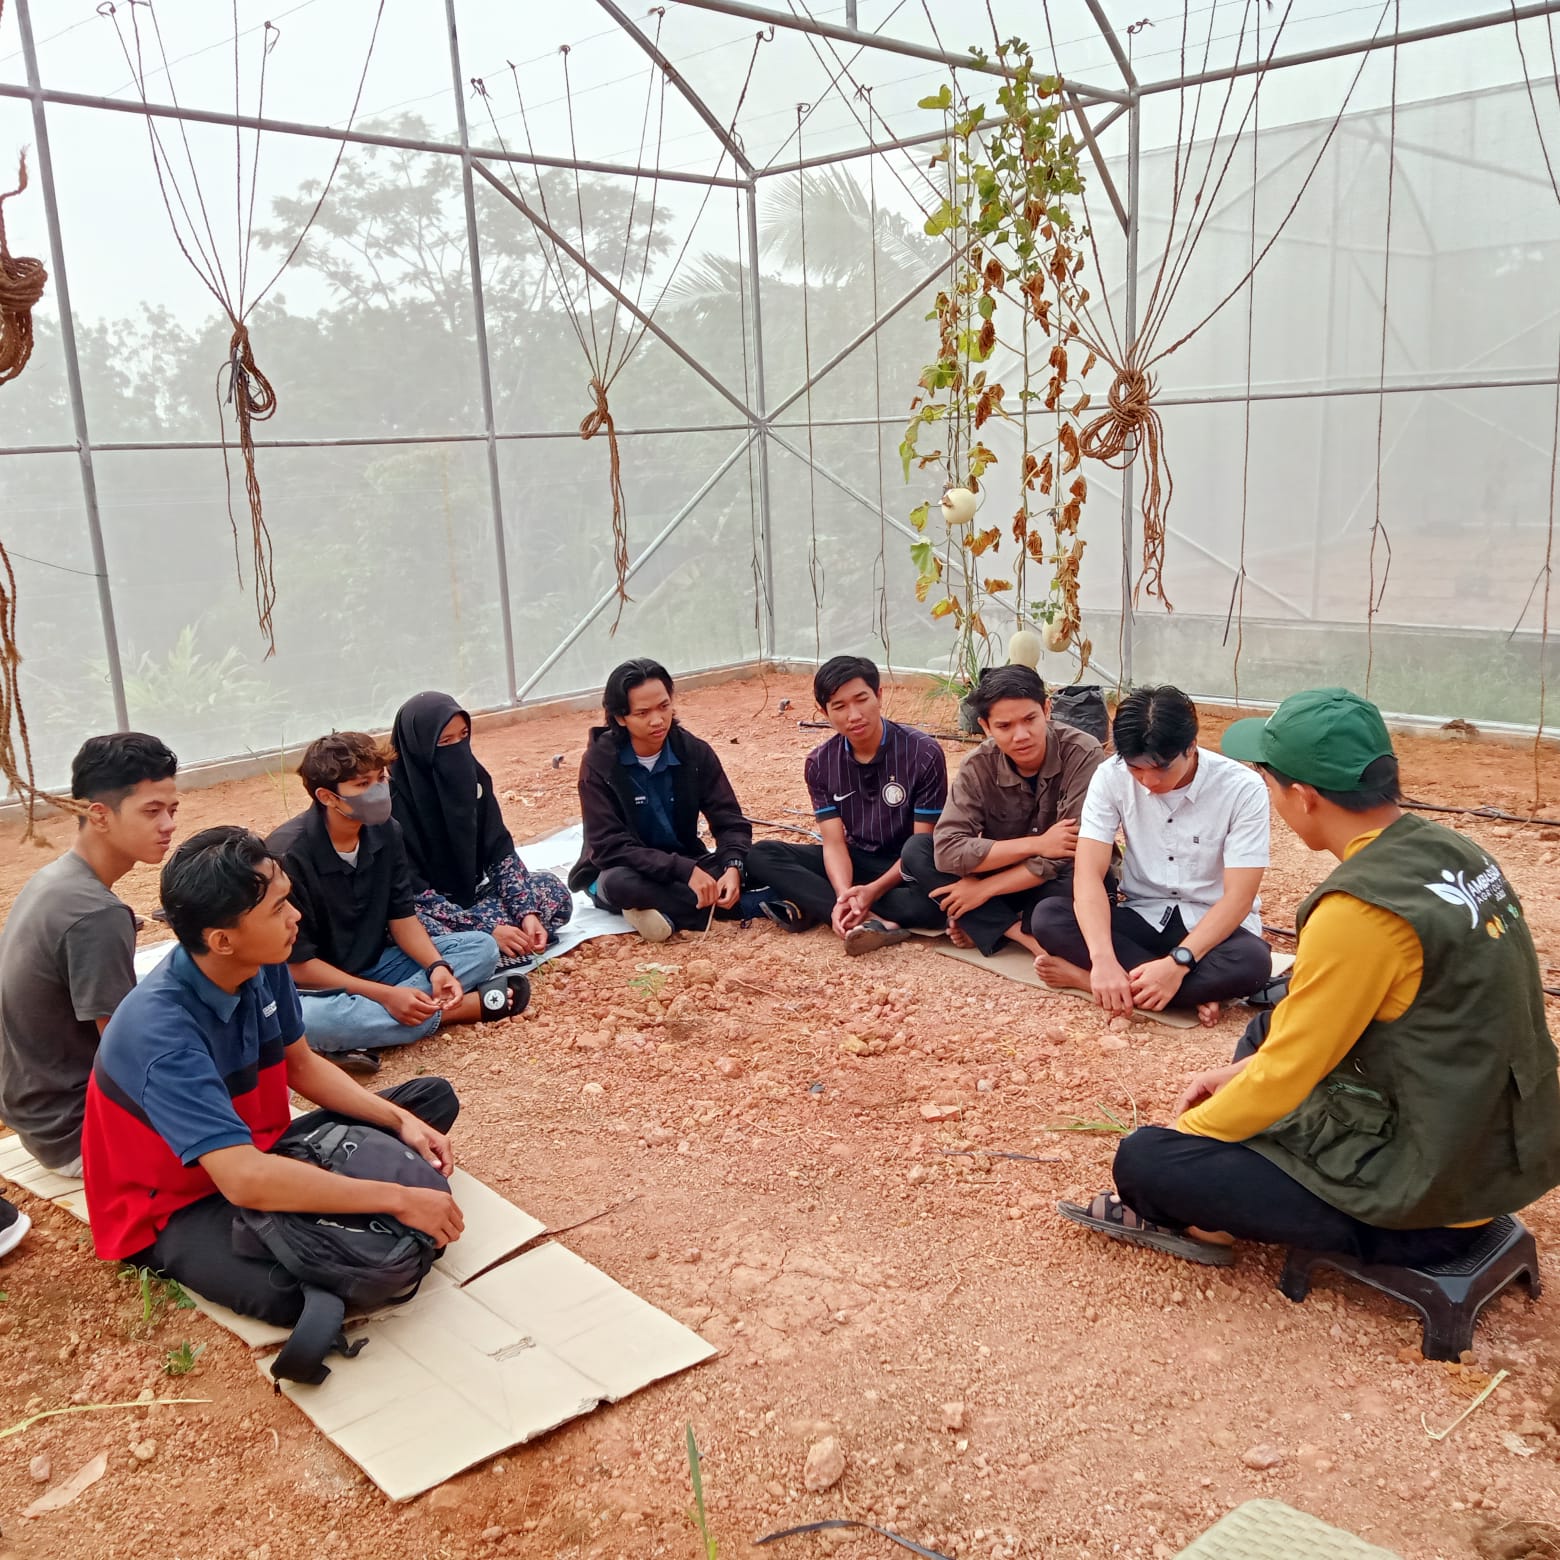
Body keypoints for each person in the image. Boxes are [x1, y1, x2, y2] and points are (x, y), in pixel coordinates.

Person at [1058, 687, 1560, 1268]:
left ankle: (1214, 1224)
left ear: (1303, 796)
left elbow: (1289, 1073)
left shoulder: (1358, 910)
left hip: (1431, 1200)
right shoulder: (1456, 851)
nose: (1269, 797)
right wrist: (1242, 1070)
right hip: (1491, 1144)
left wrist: (1191, 1132)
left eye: (1271, 785)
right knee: (1268, 1031)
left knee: (1149, 1161)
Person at [81, 826, 464, 1324]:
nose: (295, 916)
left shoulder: (262, 962)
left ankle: (309, 1198)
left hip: (259, 1147)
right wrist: (399, 1199)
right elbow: (241, 1179)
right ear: (222, 940)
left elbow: (301, 1065)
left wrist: (397, 1121)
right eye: (278, 908)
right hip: (179, 1200)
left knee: (428, 1102)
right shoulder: (160, 1032)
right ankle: (289, 1219)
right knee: (296, 1297)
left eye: (287, 899)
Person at [266, 732, 506, 1076]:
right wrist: (385, 996)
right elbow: (297, 966)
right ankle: (452, 1010)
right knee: (315, 1020)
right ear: (326, 796)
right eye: (363, 783)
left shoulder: (387, 832)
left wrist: (437, 968)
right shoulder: (288, 853)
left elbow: (402, 918)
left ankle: (384, 1022)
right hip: (313, 985)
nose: (379, 790)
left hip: (377, 964)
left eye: (381, 778)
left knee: (482, 948)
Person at [1030, 685, 1273, 1025]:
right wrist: (1102, 961)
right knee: (1049, 916)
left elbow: (1238, 898)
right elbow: (1088, 875)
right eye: (1136, 769)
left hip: (1212, 925)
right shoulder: (1110, 776)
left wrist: (1178, 963)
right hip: (1145, 914)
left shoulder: (1241, 788)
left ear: (1191, 746)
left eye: (1160, 768)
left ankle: (1091, 983)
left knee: (1252, 963)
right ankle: (1185, 992)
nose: (1148, 781)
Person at [0, 733, 179, 1174]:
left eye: (172, 809)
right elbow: (128, 1053)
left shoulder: (54, 879)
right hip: (78, 1132)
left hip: (39, 1114)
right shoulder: (95, 914)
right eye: (151, 811)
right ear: (99, 815)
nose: (169, 825)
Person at [748, 655, 947, 956]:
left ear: (879, 696)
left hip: (908, 867)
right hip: (857, 860)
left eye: (861, 700)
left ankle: (819, 905)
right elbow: (833, 843)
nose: (854, 715)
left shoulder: (923, 753)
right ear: (823, 711)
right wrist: (844, 895)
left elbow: (924, 841)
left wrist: (873, 890)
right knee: (762, 854)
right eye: (839, 706)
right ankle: (862, 917)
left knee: (935, 903)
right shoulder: (820, 763)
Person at [901, 666, 1104, 957]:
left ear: (1047, 709)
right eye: (1005, 726)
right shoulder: (978, 765)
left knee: (1079, 880)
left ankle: (985, 921)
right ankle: (1020, 934)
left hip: (1053, 879)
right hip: (1006, 871)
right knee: (918, 849)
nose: (1021, 735)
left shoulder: (1083, 752)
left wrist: (982, 891)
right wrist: (1037, 844)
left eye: (1030, 719)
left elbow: (1067, 852)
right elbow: (946, 850)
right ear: (985, 727)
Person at [568, 659, 756, 943]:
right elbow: (609, 847)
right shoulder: (599, 763)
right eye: (642, 713)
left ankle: (664, 911)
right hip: (625, 868)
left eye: (664, 707)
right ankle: (743, 907)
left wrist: (733, 866)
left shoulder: (694, 752)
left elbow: (729, 820)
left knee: (760, 857)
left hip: (685, 861)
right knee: (619, 883)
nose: (657, 720)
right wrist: (685, 870)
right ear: (620, 717)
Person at [389, 691, 572, 960]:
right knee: (409, 929)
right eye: (445, 741)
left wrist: (527, 913)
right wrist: (487, 928)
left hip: (472, 899)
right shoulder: (392, 803)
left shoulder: (473, 780)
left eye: (464, 736)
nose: (458, 749)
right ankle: (484, 949)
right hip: (422, 909)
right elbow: (411, 893)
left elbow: (500, 853)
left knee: (551, 889)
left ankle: (486, 951)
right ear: (419, 748)